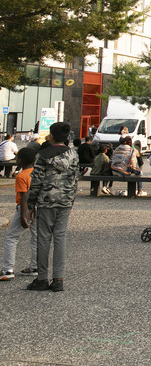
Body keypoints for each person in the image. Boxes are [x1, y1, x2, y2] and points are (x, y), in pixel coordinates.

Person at [26, 122, 79, 291]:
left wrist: (30, 204)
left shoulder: (43, 155)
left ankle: (42, 278)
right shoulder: (73, 154)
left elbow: (36, 181)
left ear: (52, 135)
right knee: (60, 238)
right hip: (65, 200)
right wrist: (71, 201)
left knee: (43, 239)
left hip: (46, 200)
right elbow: (75, 179)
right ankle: (58, 279)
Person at [1, 147, 38, 280]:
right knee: (36, 238)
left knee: (12, 237)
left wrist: (22, 216)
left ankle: (7, 269)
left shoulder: (21, 176)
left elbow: (23, 196)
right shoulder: (38, 173)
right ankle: (35, 266)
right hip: (39, 207)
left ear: (20, 161)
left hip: (25, 208)